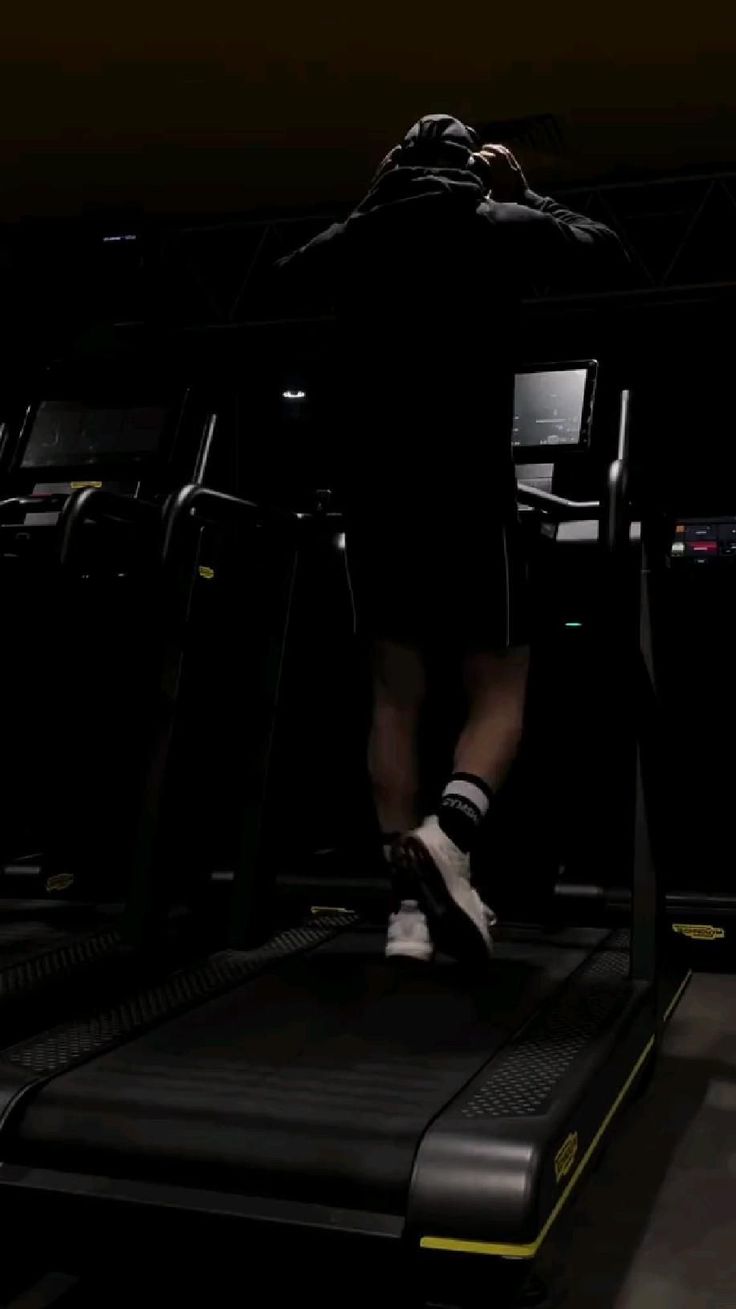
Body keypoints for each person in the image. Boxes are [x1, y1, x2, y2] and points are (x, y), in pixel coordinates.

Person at [275, 114, 628, 966]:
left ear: (394, 165)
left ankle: (406, 913)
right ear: (471, 165)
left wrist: (368, 205)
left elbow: (287, 277)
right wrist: (525, 192)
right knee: (500, 683)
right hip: (469, 492)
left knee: (395, 696)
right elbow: (607, 250)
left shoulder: (361, 237)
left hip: (379, 501)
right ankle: (452, 834)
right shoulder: (494, 222)